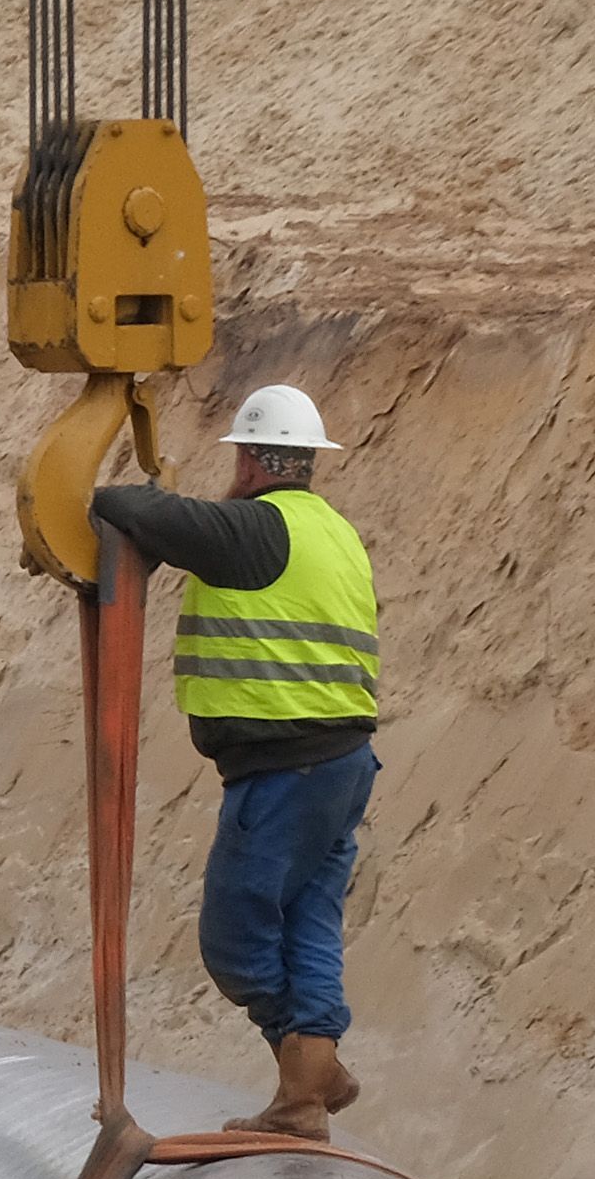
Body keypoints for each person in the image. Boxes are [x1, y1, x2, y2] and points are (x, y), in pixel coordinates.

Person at [89, 380, 379, 1139]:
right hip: (345, 766)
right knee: (308, 921)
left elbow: (133, 509)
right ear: (311, 462)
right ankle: (307, 1095)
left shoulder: (258, 532)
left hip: (287, 770)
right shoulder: (336, 534)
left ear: (249, 461)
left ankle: (308, 1070)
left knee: (235, 938)